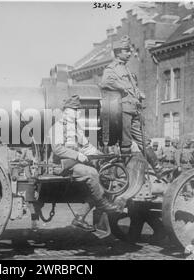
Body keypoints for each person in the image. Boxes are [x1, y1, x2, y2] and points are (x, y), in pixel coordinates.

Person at [48, 95, 125, 231]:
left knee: (103, 175)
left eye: (79, 109)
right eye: (75, 109)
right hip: (62, 166)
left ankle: (80, 218)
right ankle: (103, 204)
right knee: (92, 173)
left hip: (75, 164)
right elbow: (58, 149)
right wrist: (78, 155)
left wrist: (102, 156)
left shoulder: (76, 127)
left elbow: (86, 146)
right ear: (66, 111)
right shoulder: (57, 127)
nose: (78, 112)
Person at [99, 35, 162, 176]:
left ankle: (158, 168)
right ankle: (123, 175)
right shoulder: (112, 68)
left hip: (134, 109)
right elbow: (105, 82)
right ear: (118, 52)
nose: (129, 53)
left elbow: (132, 87)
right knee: (125, 142)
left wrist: (138, 93)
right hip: (122, 110)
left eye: (129, 50)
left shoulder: (127, 69)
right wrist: (121, 86)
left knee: (143, 140)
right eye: (126, 50)